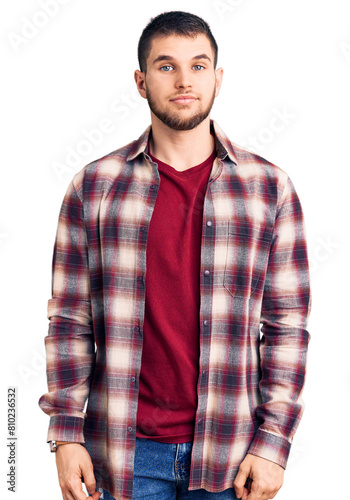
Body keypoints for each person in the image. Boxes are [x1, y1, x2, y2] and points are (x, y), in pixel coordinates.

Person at [38, 10, 311, 500]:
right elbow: (69, 319)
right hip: (122, 453)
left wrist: (274, 443)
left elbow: (288, 326)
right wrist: (65, 432)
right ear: (141, 82)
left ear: (218, 78)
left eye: (198, 66)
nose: (184, 80)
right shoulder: (94, 186)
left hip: (232, 454)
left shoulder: (270, 189)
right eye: (166, 67)